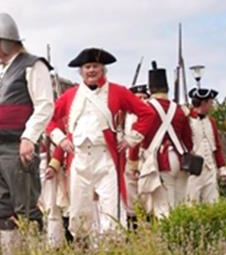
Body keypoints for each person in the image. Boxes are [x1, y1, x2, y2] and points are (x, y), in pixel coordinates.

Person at [46, 48, 156, 240]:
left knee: (111, 211)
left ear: (103, 69)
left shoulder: (118, 92)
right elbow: (49, 119)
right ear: (81, 71)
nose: (91, 70)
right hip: (79, 159)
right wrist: (61, 140)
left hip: (106, 159)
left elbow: (147, 114)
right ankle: (83, 252)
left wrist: (131, 139)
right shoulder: (70, 95)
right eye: (87, 66)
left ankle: (110, 252)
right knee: (78, 212)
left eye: (95, 66)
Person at [0, 13, 54, 255]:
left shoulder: (33, 65)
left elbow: (44, 105)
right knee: (3, 210)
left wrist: (28, 137)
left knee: (27, 210)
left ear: (8, 41)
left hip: (17, 148)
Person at [134, 62, 192, 218]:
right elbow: (188, 141)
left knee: (163, 207)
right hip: (181, 160)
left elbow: (136, 137)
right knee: (180, 206)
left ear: (151, 89)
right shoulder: (180, 109)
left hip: (160, 160)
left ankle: (167, 240)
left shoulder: (145, 108)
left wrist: (132, 163)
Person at [186, 87, 226, 204]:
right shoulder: (187, 119)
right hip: (193, 168)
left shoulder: (211, 122)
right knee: (191, 202)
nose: (212, 105)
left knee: (213, 202)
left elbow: (217, 147)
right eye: (210, 102)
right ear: (204, 103)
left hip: (210, 168)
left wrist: (222, 168)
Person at [124, 83, 150, 225]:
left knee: (147, 195)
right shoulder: (124, 118)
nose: (141, 100)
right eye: (138, 97)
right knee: (131, 198)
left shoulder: (150, 116)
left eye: (144, 97)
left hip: (146, 159)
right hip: (128, 161)